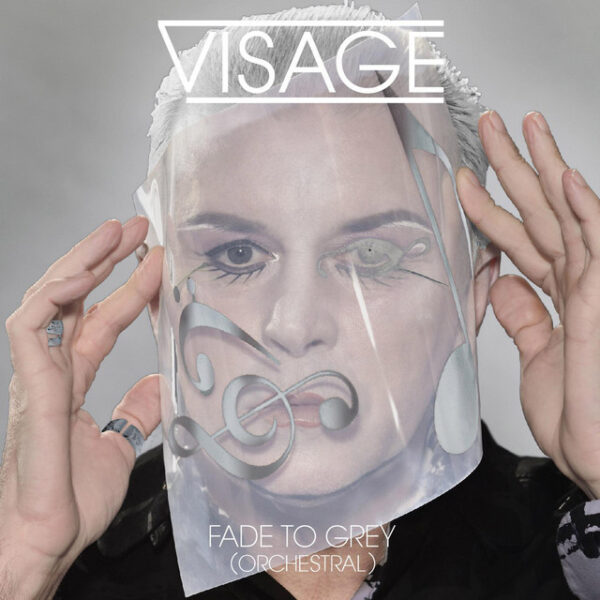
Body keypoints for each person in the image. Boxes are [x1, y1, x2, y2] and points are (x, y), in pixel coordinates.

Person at [2, 4, 600, 599]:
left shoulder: (571, 553)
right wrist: (26, 562)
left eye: (371, 256)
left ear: (473, 293)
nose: (293, 325)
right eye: (237, 254)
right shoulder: (64, 566)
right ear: (158, 296)